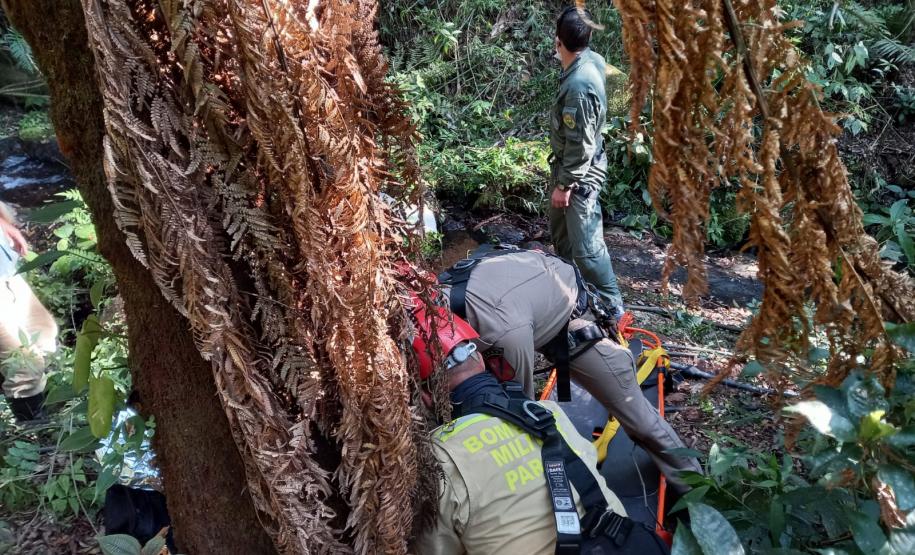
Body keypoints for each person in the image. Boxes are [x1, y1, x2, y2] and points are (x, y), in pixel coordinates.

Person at [409, 296, 668, 555]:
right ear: (480, 359)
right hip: (618, 541)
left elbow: (435, 549)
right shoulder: (546, 413)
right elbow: (589, 460)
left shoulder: (438, 456)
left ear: (427, 397)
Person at [438, 246, 701, 495]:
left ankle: (697, 490)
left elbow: (520, 413)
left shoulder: (503, 334)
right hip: (527, 296)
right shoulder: (434, 299)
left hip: (573, 317)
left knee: (638, 417)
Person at [549, 6, 622, 311]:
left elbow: (581, 146)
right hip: (568, 167)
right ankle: (569, 295)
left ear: (558, 42)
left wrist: (565, 186)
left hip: (579, 174)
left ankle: (613, 306)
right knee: (561, 235)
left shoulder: (579, 87)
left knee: (588, 249)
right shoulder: (591, 59)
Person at [0, 201, 58, 422]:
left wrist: (2, 221)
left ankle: (48, 404)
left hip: (5, 272)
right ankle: (34, 432)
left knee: (44, 333)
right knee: (25, 363)